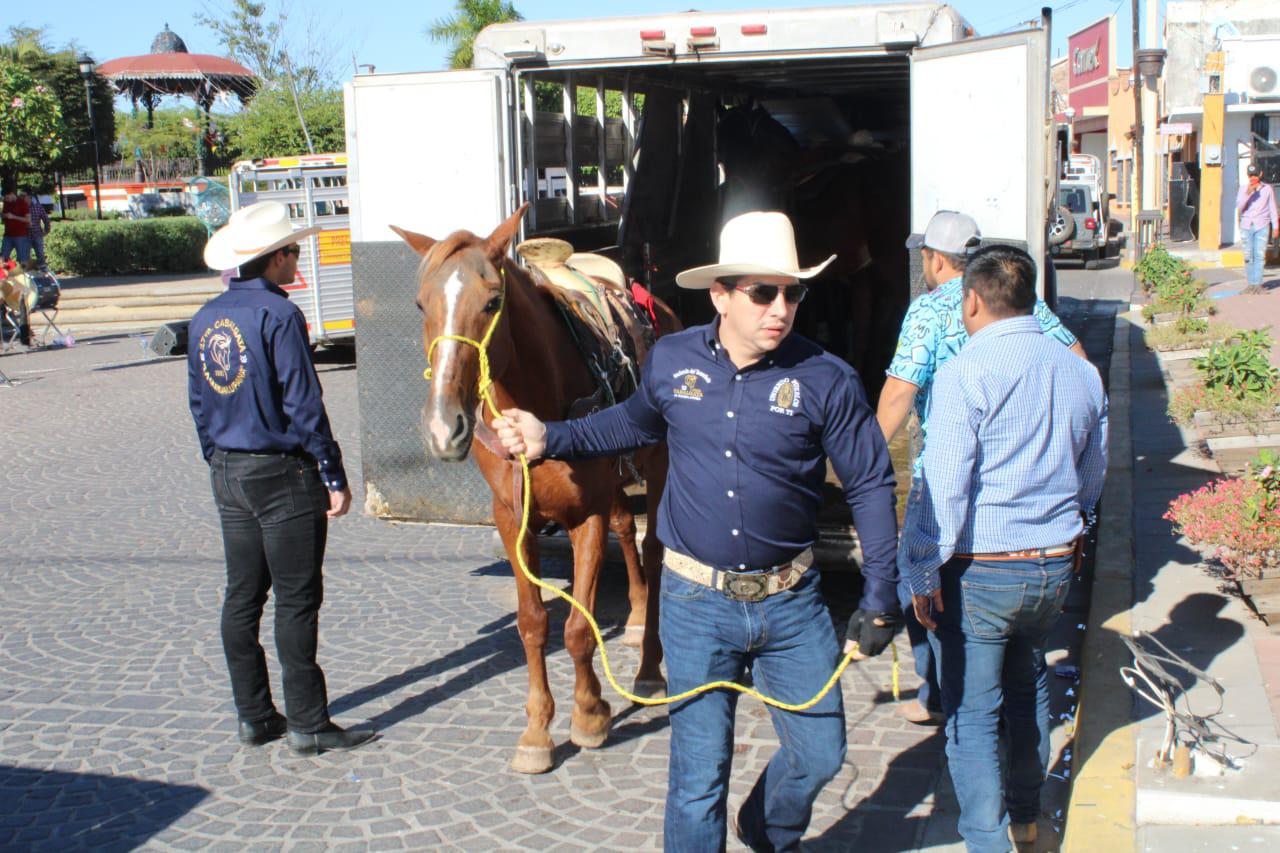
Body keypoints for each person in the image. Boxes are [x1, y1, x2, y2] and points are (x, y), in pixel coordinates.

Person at [493, 210, 902, 852]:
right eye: (762, 292)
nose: (781, 308)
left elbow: (873, 485)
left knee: (822, 752)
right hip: (693, 604)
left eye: (792, 292)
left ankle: (766, 827)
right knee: (697, 779)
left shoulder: (828, 379)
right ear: (720, 295)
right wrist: (553, 437)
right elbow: (630, 423)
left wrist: (882, 595)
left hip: (792, 606)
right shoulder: (672, 360)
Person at [904, 245, 1107, 852]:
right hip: (1050, 568)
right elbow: (1091, 476)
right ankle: (1027, 818)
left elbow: (943, 488)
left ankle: (987, 842)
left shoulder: (965, 371)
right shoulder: (1080, 371)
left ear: (970, 298)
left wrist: (920, 571)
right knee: (1028, 690)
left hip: (981, 573)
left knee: (971, 718)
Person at [876, 210, 1086, 727]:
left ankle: (941, 693)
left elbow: (901, 391)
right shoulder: (1022, 305)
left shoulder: (927, 311)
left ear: (933, 258)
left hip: (945, 468)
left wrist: (866, 461)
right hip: (1021, 486)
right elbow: (1079, 362)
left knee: (918, 577)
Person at [188, 201, 373, 757]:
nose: (300, 259)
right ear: (273, 260)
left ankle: (253, 714)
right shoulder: (280, 316)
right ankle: (309, 723)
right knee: (296, 600)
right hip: (283, 473)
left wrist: (217, 458)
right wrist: (332, 473)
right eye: (293, 251)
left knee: (242, 596)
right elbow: (304, 405)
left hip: (229, 470)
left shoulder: (205, 317)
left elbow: (199, 402)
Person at [1237, 163, 1278, 289]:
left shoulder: (1267, 189)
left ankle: (1258, 284)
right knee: (1249, 256)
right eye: (1250, 175)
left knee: (1259, 255)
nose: (1252, 177)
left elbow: (1272, 208)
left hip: (1262, 226)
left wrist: (1276, 227)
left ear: (1260, 174)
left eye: (1255, 174)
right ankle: (1251, 284)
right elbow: (1239, 207)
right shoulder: (1243, 188)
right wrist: (1248, 193)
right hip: (1246, 226)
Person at [1, 188, 31, 266]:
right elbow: (3, 215)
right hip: (8, 235)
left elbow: (28, 219)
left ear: (11, 194)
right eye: (5, 198)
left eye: (7, 197)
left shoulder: (22, 203)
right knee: (3, 257)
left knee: (22, 259)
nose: (6, 200)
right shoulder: (6, 203)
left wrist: (14, 217)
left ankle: (23, 275)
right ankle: (3, 275)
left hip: (20, 235)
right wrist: (4, 215)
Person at [26, 190, 51, 271]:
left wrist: (46, 231)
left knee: (40, 253)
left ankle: (43, 270)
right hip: (25, 236)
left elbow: (46, 219)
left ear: (29, 198)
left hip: (37, 234)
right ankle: (28, 272)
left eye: (24, 197)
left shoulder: (38, 207)